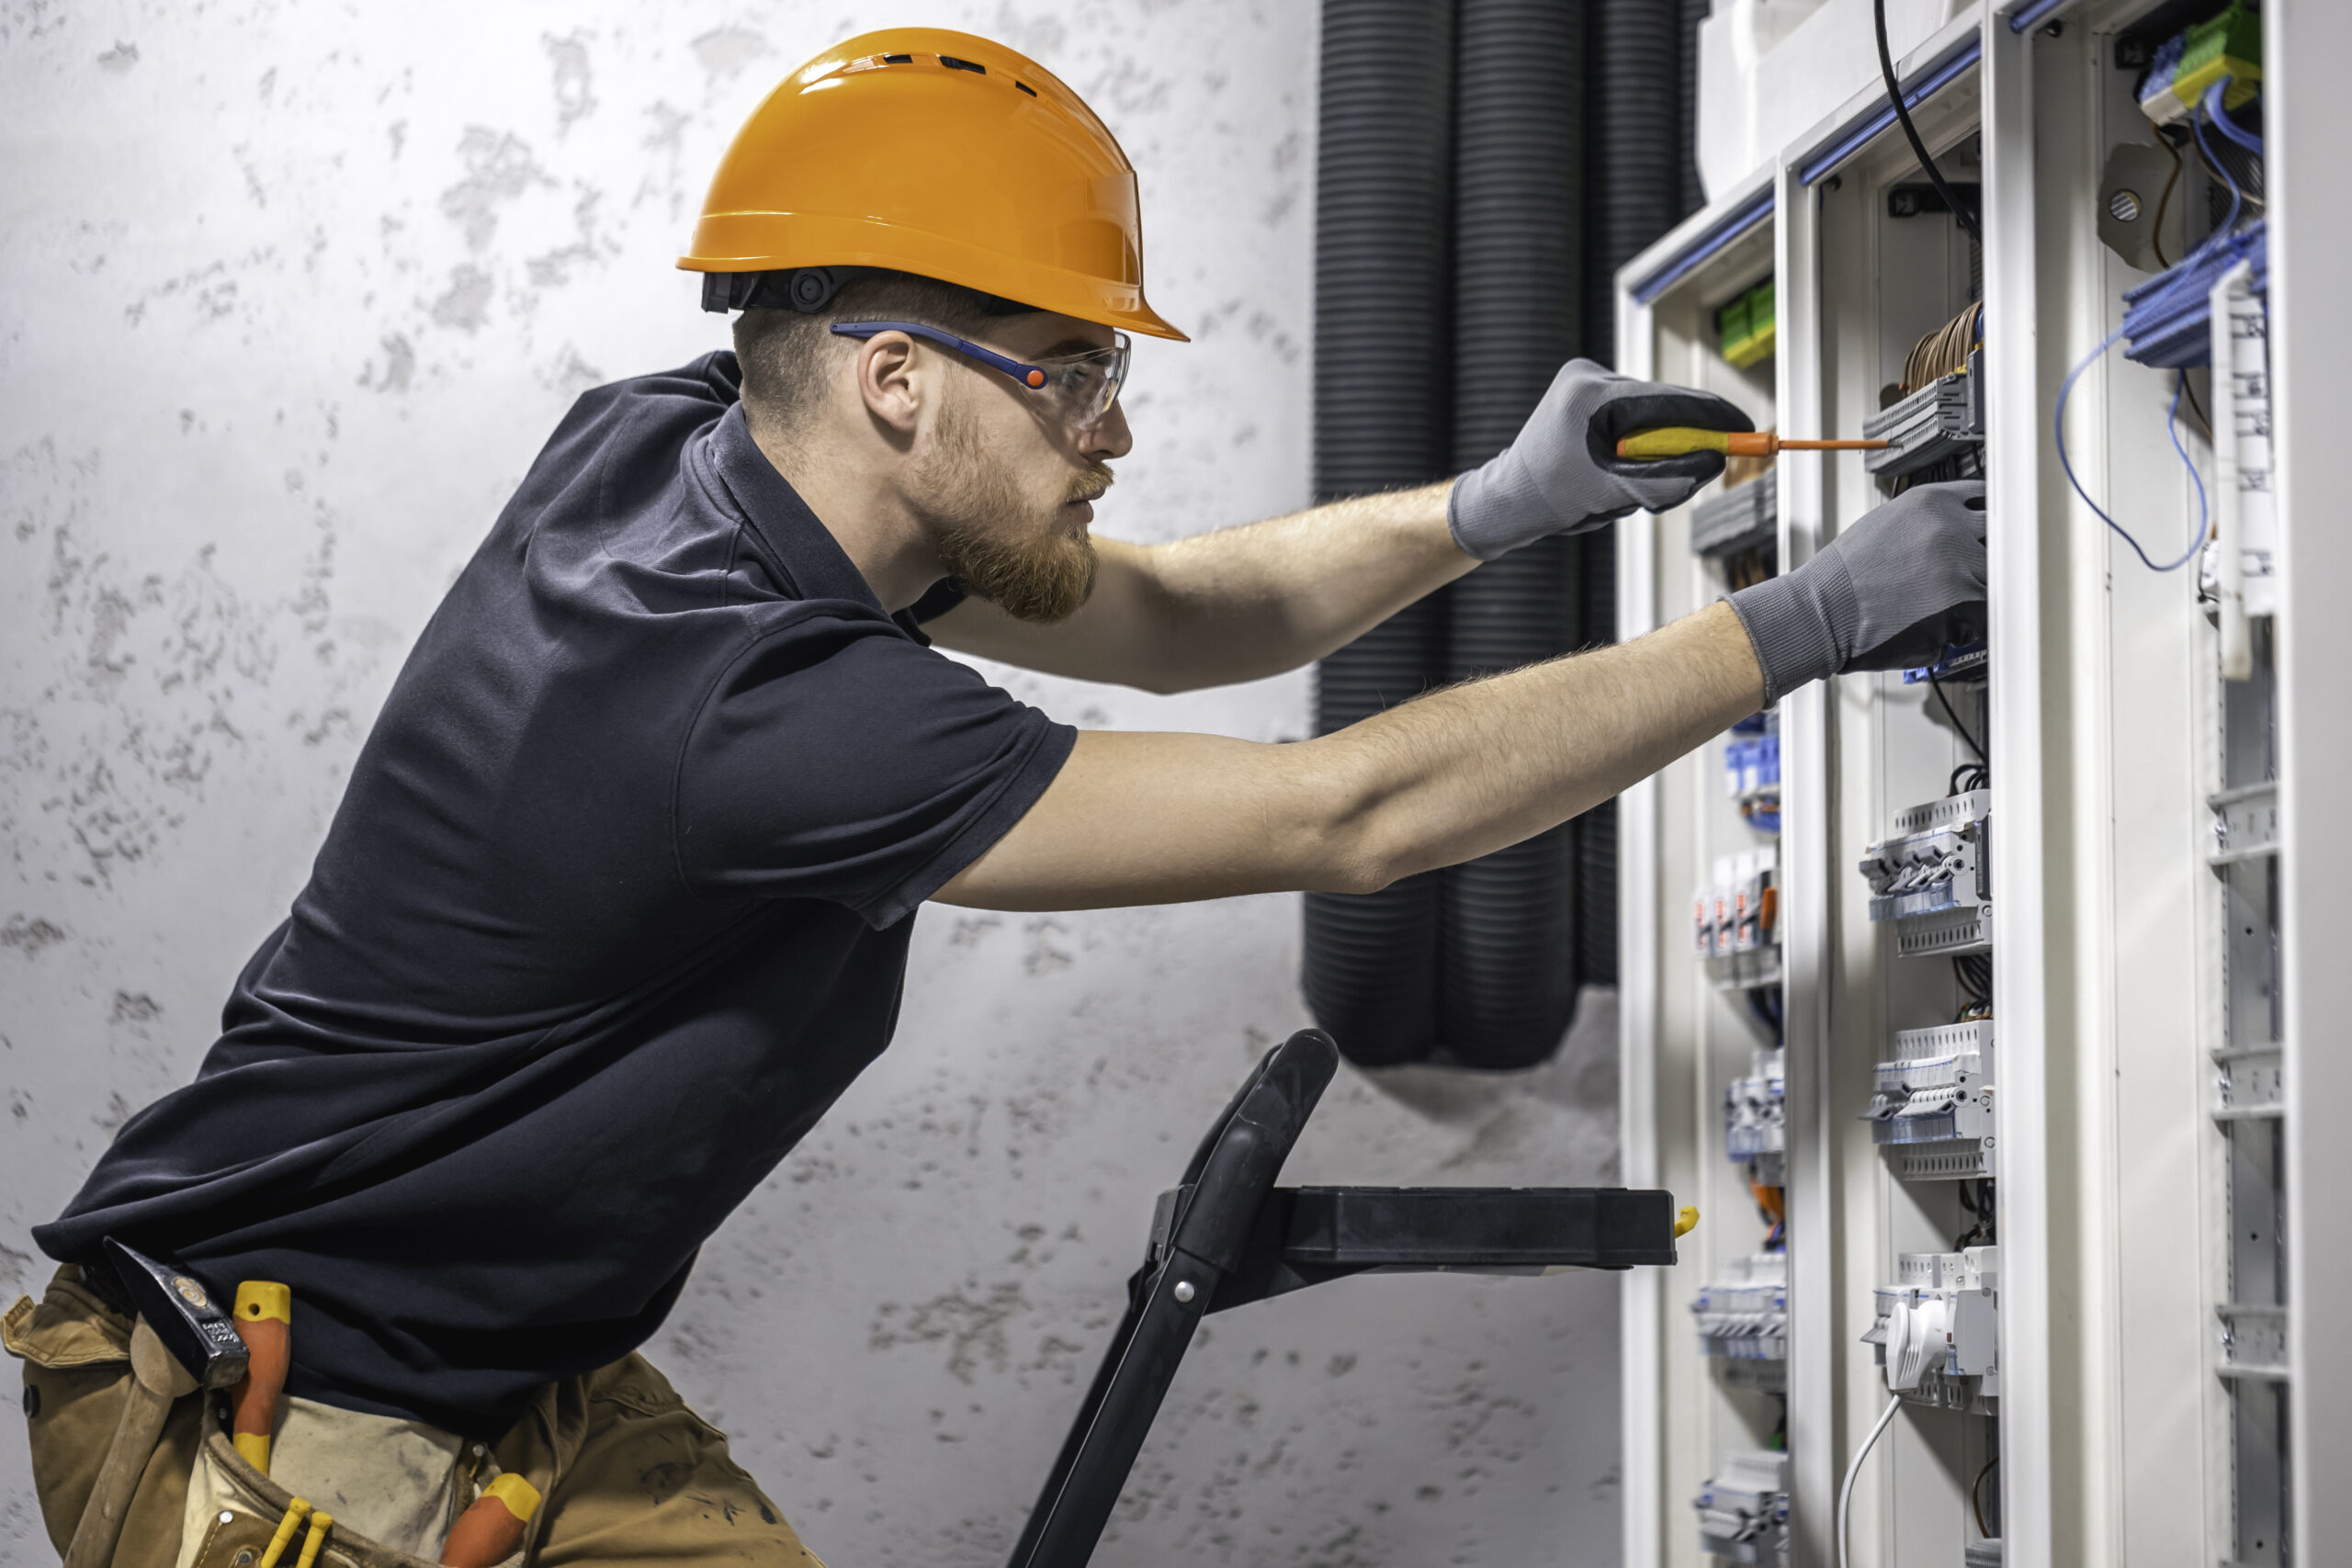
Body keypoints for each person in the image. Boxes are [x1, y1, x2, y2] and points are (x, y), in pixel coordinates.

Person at [6, 27, 1985, 1568]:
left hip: (478, 1367)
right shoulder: (768, 706)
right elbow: (1346, 818)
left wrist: (1498, 503)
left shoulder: (679, 444)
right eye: (1066, 373)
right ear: (889, 378)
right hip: (264, 1412)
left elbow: (1185, 612)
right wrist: (1800, 625)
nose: (1112, 428)